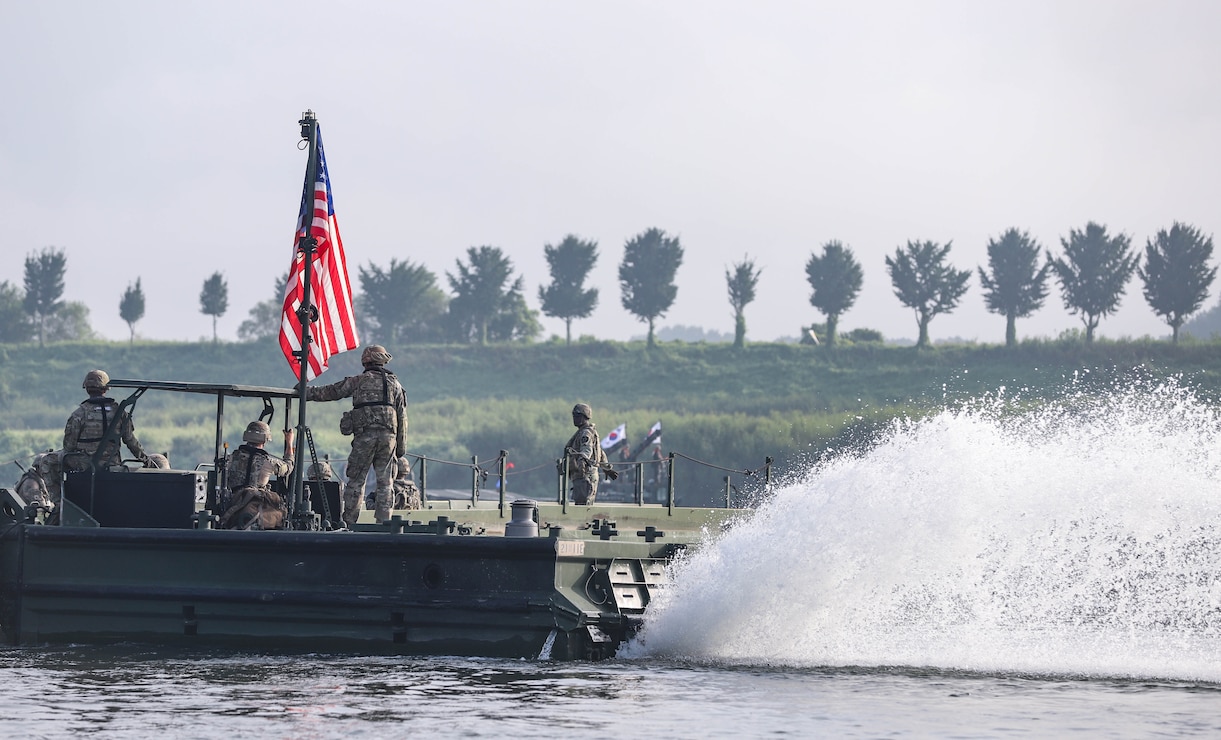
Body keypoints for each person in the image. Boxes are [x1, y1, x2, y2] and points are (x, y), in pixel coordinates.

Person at [306, 345, 407, 525]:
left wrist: (307, 392)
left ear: (365, 361)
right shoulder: (396, 384)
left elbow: (332, 391)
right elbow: (402, 417)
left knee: (356, 481)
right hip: (388, 439)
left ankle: (348, 523)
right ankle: (384, 523)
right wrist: (400, 448)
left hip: (364, 438)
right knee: (386, 483)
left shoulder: (359, 380)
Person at [62, 369, 147, 472]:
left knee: (46, 460)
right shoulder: (120, 413)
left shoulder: (79, 414)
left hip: (85, 464)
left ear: (87, 388)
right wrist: (147, 460)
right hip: (112, 463)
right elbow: (131, 442)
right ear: (106, 388)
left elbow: (69, 447)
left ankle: (56, 488)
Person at [219, 420, 295, 530]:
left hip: (232, 502)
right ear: (265, 439)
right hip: (256, 504)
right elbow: (288, 467)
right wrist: (289, 443)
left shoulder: (231, 458)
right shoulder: (269, 462)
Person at [562, 402, 617, 505]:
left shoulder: (585, 433)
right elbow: (599, 452)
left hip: (585, 475)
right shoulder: (588, 432)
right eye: (573, 415)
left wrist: (582, 461)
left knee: (583, 507)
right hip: (585, 475)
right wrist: (606, 468)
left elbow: (587, 450)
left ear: (584, 417)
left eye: (577, 416)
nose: (574, 418)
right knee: (583, 505)